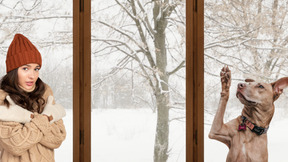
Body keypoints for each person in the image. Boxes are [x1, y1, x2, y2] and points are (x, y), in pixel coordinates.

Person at [0, 33, 66, 162]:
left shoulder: (45, 94)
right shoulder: (3, 99)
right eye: (25, 68)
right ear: (13, 71)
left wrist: (27, 119)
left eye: (36, 69)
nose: (32, 75)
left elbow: (57, 138)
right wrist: (46, 117)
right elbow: (16, 145)